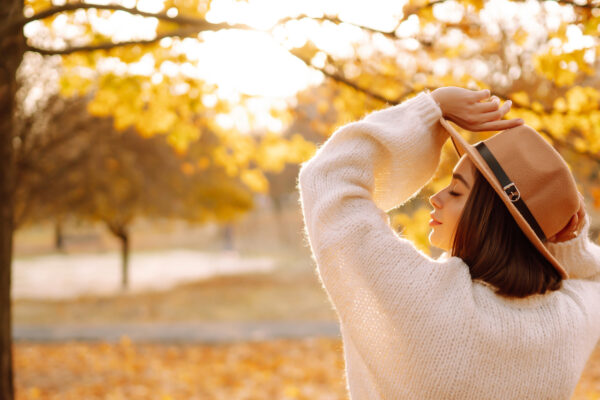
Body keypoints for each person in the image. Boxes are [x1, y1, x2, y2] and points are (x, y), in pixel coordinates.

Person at [297, 86, 600, 399]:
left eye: (456, 192)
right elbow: (594, 275)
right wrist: (564, 238)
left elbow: (328, 175)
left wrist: (430, 109)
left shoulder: (420, 297)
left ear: (492, 220)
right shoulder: (569, 321)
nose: (436, 198)